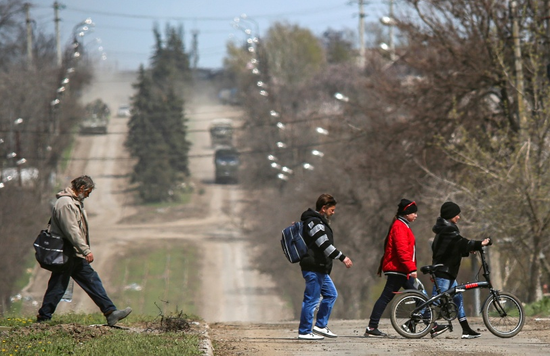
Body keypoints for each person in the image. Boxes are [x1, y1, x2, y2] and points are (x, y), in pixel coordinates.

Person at [37, 175, 132, 326]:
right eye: (88, 192)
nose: (88, 195)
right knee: (59, 285)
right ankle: (44, 317)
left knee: (91, 280)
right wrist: (85, 250)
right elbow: (72, 230)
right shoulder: (65, 204)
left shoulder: (73, 202)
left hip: (72, 252)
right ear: (82, 188)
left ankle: (110, 312)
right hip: (65, 251)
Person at [430, 201, 491, 339]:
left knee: (457, 298)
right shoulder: (448, 230)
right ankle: (418, 324)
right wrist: (479, 244)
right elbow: (461, 242)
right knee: (435, 301)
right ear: (450, 215)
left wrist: (470, 249)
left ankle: (466, 329)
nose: (459, 217)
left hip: (448, 272)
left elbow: (454, 247)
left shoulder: (445, 229)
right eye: (457, 214)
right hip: (444, 272)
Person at [297, 194, 353, 340]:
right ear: (324, 208)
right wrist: (343, 257)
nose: (333, 212)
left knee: (331, 294)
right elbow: (324, 245)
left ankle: (320, 325)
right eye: (332, 210)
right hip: (313, 267)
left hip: (320, 268)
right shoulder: (315, 222)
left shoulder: (318, 221)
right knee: (311, 300)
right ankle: (304, 331)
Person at [364, 199, 418, 337]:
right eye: (414, 213)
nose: (416, 215)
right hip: (398, 269)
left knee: (418, 294)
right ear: (406, 214)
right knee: (386, 297)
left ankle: (430, 323)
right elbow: (402, 252)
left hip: (401, 269)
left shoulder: (403, 225)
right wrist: (411, 268)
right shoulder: (399, 226)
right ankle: (372, 327)